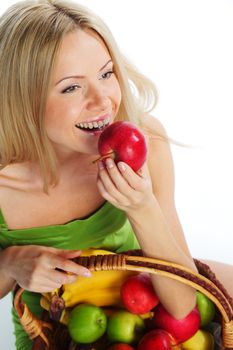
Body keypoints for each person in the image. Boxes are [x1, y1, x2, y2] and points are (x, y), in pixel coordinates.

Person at [0, 0, 232, 349]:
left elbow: (182, 306)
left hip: (146, 298)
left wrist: (142, 208)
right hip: (59, 330)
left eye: (107, 74)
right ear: (22, 99)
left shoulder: (144, 141)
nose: (103, 100)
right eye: (71, 87)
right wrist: (10, 263)